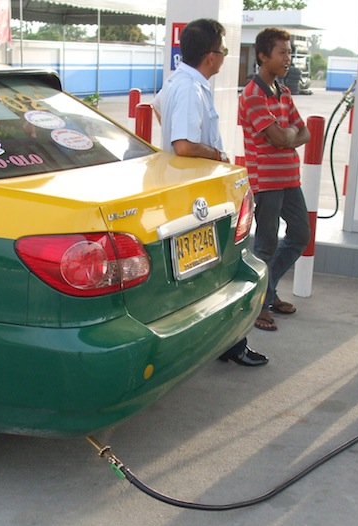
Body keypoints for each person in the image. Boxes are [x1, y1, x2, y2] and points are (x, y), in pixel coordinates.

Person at [152, 18, 267, 367]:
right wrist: (217, 156)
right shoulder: (189, 87)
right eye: (224, 51)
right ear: (210, 56)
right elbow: (184, 145)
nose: (224, 57)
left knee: (205, 270)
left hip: (188, 186)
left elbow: (158, 110)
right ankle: (230, 342)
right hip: (197, 191)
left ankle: (227, 342)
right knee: (219, 268)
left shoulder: (181, 81)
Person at [238, 27, 311, 332]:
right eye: (282, 52)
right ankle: (256, 306)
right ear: (263, 56)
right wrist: (287, 135)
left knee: (300, 235)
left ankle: (269, 290)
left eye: (289, 52)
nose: (288, 58)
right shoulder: (253, 95)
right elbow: (281, 135)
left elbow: (301, 132)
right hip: (266, 182)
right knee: (265, 245)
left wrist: (287, 137)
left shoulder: (283, 92)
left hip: (289, 179)